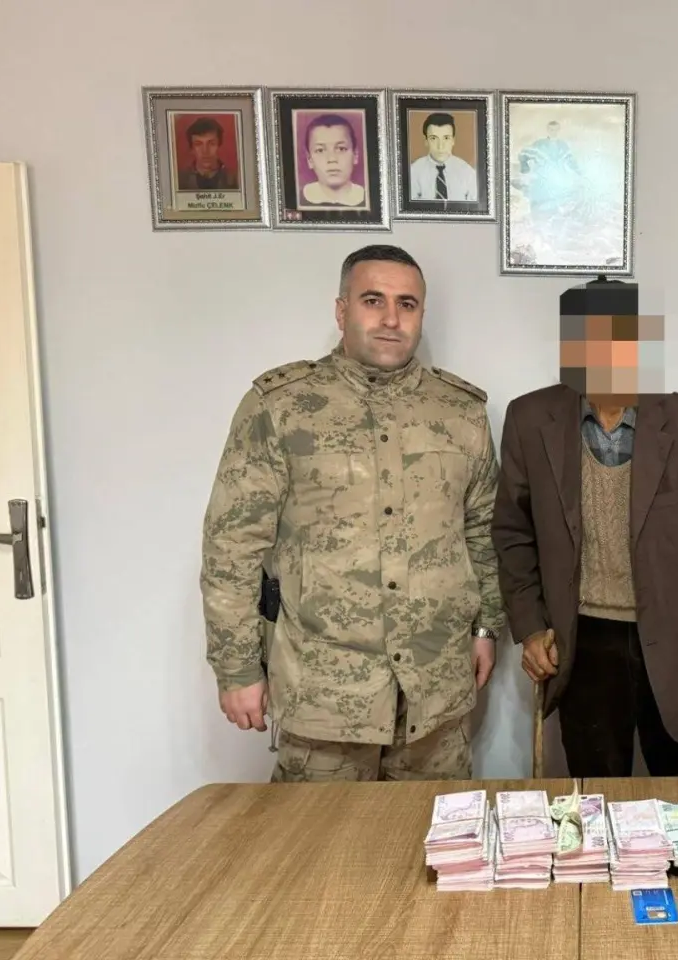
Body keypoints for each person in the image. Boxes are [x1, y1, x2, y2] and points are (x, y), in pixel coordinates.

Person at [200, 244, 503, 782]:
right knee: (318, 839)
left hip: (436, 693)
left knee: (433, 834)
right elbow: (232, 545)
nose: (391, 319)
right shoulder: (281, 405)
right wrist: (237, 667)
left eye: (407, 304)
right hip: (325, 697)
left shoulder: (461, 412)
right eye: (372, 300)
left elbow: (483, 530)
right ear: (341, 311)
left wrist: (487, 627)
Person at [491, 278, 678, 778]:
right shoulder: (529, 419)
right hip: (581, 645)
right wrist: (530, 626)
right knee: (596, 800)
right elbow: (513, 533)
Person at [408, 113, 477, 202]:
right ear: (426, 141)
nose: (440, 146)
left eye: (446, 138)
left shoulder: (468, 173)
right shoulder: (413, 172)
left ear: (453, 141)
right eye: (433, 138)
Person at [301, 114, 365, 207]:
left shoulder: (372, 200)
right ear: (309, 159)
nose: (332, 159)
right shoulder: (296, 201)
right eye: (320, 150)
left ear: (355, 155)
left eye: (341, 149)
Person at [177, 116, 238, 190]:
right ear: (192, 148)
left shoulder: (236, 180)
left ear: (219, 145)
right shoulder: (179, 181)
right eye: (198, 144)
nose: (205, 151)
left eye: (211, 143)